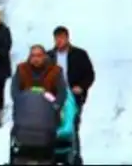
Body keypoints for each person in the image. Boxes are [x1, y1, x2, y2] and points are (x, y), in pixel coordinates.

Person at [48, 26, 95, 165]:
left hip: (73, 97)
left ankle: (75, 156)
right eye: (57, 39)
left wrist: (81, 87)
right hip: (53, 97)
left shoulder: (79, 55)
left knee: (72, 125)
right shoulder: (49, 56)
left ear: (67, 38)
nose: (59, 41)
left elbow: (90, 74)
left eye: (62, 38)